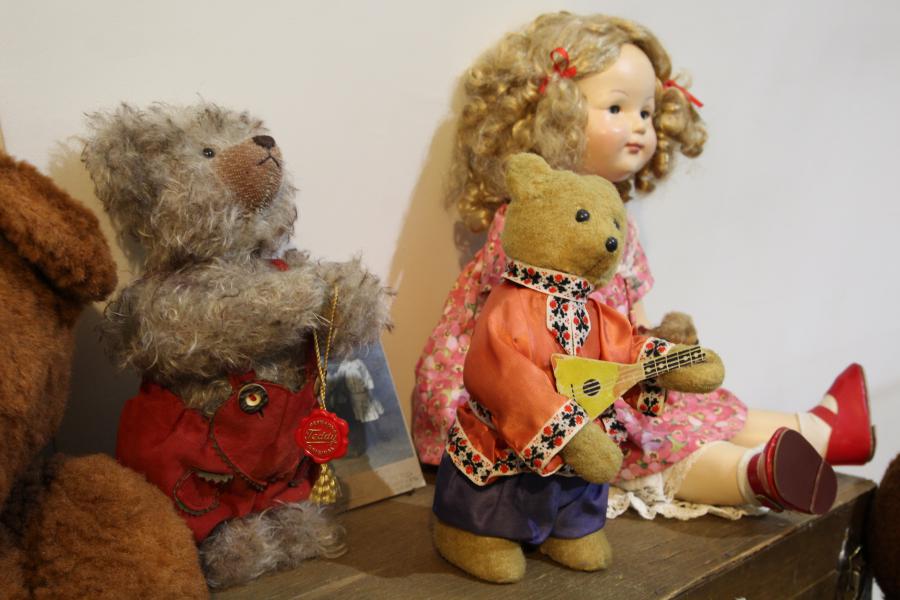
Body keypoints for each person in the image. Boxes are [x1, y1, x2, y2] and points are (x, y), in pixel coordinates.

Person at [413, 12, 873, 518]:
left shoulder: (619, 223)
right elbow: (522, 324)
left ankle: (822, 432)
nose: (639, 125)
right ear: (556, 113)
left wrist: (661, 347)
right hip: (534, 387)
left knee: (692, 405)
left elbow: (631, 313)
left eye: (648, 113)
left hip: (603, 367)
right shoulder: (528, 220)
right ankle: (751, 475)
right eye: (617, 107)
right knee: (648, 439)